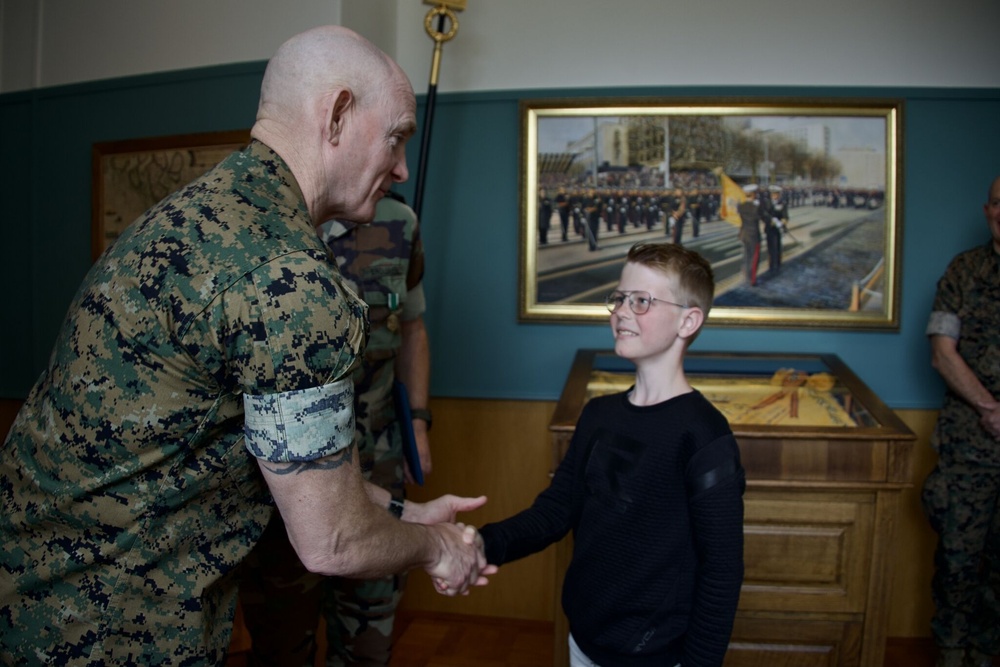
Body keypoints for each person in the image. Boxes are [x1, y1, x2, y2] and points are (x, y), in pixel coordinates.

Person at [0, 26, 493, 665]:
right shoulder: (286, 278)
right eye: (396, 136)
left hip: (37, 597)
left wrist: (410, 514)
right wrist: (439, 549)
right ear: (338, 114)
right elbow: (332, 540)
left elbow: (288, 462)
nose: (401, 168)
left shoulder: (196, 215)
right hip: (113, 627)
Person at [478, 241, 746, 667]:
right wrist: (479, 545)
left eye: (641, 301)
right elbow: (555, 511)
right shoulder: (598, 415)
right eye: (619, 298)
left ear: (688, 320)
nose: (621, 311)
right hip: (584, 642)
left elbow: (722, 571)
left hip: (657, 655)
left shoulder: (704, 435)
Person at [240, 192, 433, 666]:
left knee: (370, 634)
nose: (398, 169)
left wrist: (420, 427)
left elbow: (412, 329)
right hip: (284, 476)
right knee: (281, 640)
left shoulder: (399, 222)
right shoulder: (260, 223)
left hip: (379, 452)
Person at [922, 175, 1000, 667]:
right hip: (971, 440)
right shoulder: (964, 271)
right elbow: (941, 353)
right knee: (958, 556)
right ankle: (952, 651)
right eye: (997, 203)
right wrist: (991, 408)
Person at [737, 184, 763, 286]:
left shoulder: (741, 206)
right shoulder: (756, 207)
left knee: (747, 256)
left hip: (744, 234)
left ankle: (747, 276)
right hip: (754, 235)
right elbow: (760, 216)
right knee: (754, 257)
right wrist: (757, 205)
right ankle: (752, 279)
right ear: (753, 195)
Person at [764, 185, 787, 274]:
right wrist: (770, 221)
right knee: (770, 248)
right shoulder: (766, 203)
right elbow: (764, 215)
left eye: (777, 194)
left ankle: (777, 265)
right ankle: (771, 266)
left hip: (778, 229)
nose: (775, 196)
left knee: (777, 247)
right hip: (770, 228)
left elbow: (785, 215)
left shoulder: (782, 203)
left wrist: (782, 222)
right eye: (773, 194)